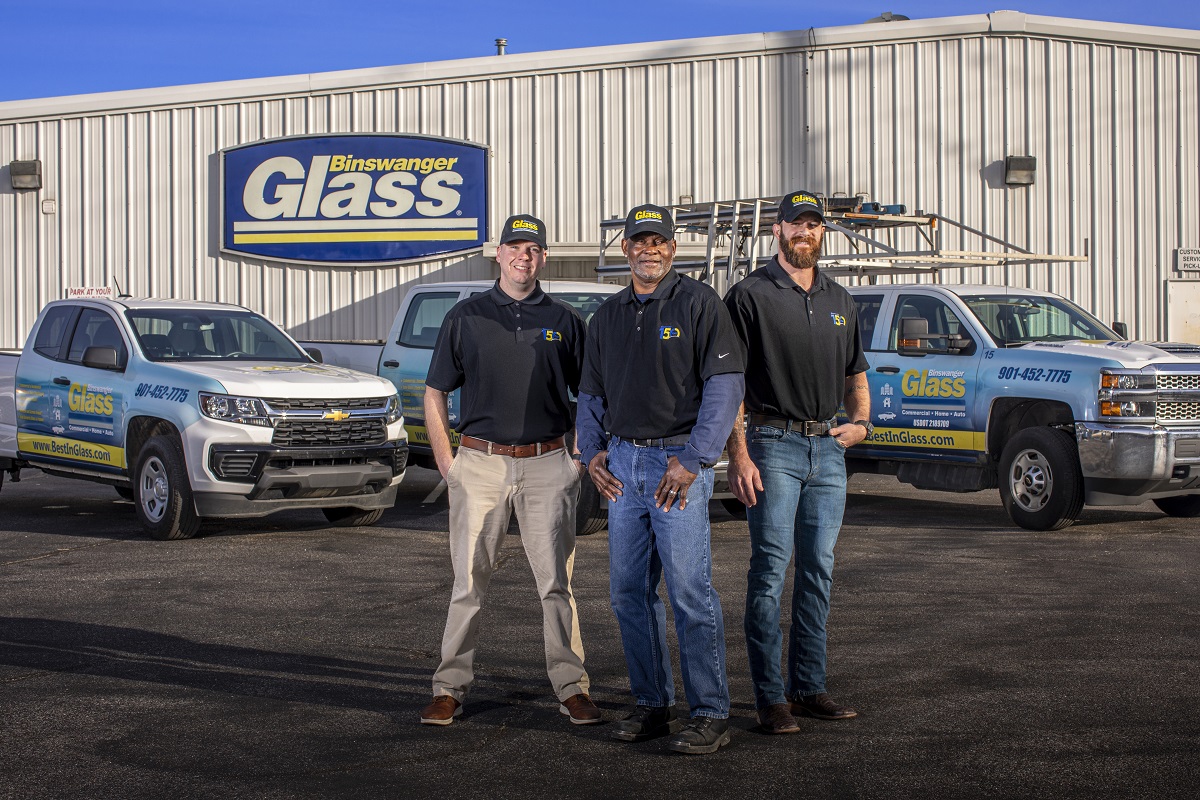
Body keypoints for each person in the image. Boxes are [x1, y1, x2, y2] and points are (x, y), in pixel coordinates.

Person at [577, 203, 745, 755]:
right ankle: (652, 705)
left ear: (674, 248)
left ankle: (710, 711)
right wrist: (592, 454)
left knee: (690, 592)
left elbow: (724, 386)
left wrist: (695, 459)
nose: (650, 249)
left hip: (677, 467)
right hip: (622, 467)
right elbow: (592, 395)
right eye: (640, 240)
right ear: (625, 248)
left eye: (660, 241)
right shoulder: (607, 318)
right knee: (628, 593)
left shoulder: (699, 304)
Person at [419, 214, 600, 727]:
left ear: (544, 258)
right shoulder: (467, 317)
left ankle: (571, 686)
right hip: (479, 464)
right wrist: (447, 462)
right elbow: (435, 393)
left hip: (547, 464)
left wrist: (578, 457)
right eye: (515, 247)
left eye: (534, 249)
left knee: (556, 585)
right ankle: (449, 687)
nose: (524, 256)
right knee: (468, 582)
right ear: (498, 254)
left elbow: (588, 394)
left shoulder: (565, 321)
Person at [724, 190, 871, 734]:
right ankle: (771, 699)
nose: (803, 233)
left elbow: (857, 374)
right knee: (769, 571)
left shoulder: (840, 299)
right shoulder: (749, 295)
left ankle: (808, 687)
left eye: (812, 225)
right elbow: (729, 384)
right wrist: (737, 453)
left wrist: (860, 422)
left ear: (822, 234)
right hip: (772, 446)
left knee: (819, 571)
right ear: (777, 231)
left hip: (828, 449)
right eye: (794, 225)